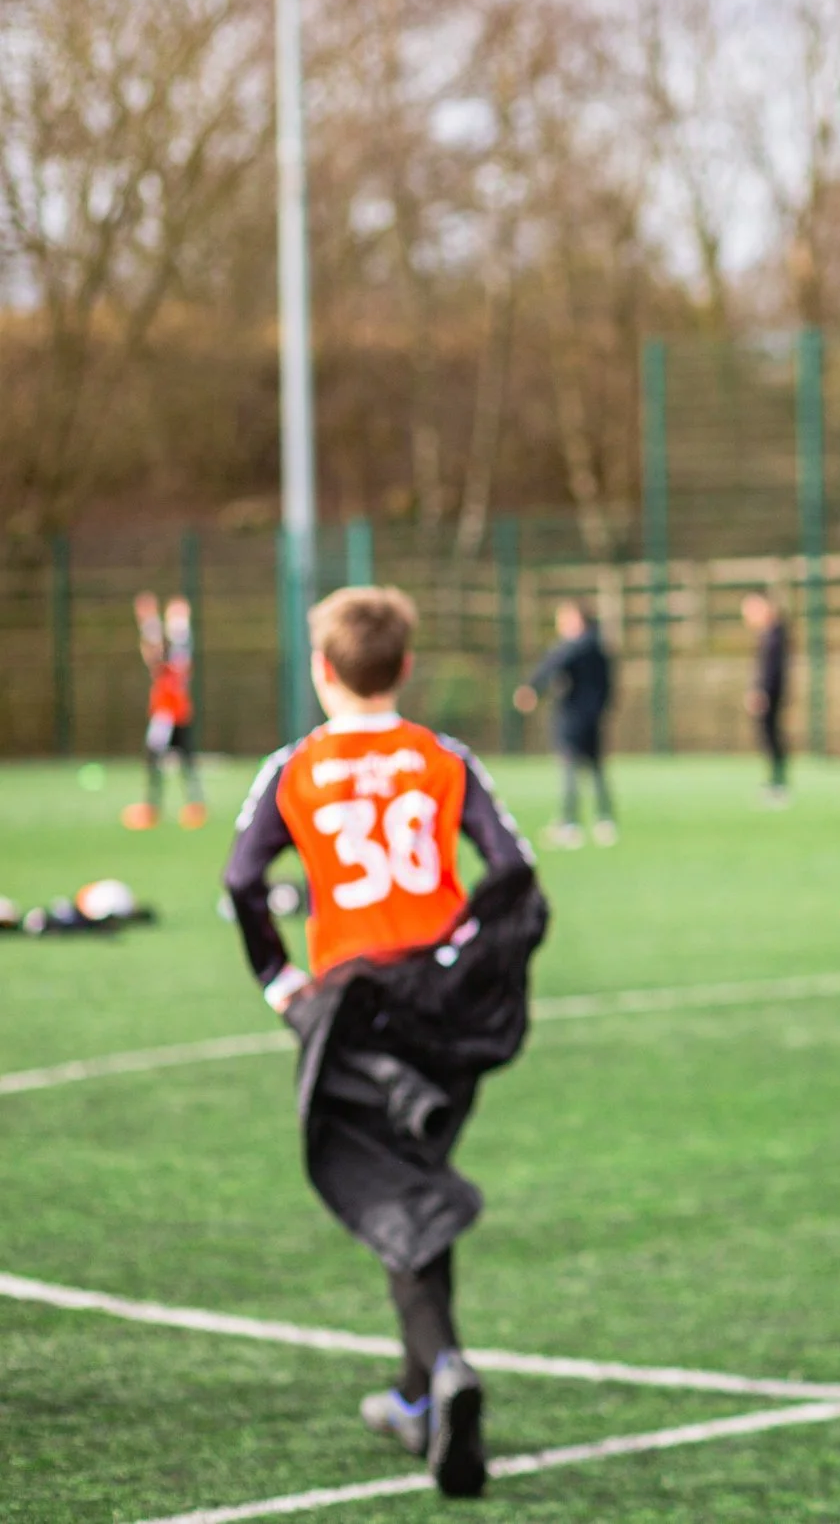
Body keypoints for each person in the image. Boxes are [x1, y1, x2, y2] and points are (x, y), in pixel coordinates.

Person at [223, 586, 539, 1499]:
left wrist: (283, 986)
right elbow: (513, 870)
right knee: (414, 1180)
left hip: (353, 1009)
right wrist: (464, 959)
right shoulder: (442, 757)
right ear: (404, 668)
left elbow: (242, 882)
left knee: (399, 1190)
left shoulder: (296, 766)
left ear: (323, 671)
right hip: (439, 1004)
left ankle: (443, 1372)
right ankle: (417, 1390)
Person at [514, 600, 615, 847]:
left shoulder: (574, 647)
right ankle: (605, 819)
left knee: (570, 766)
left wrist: (531, 688)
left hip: (573, 716)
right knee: (595, 767)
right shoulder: (599, 645)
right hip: (593, 715)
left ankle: (570, 823)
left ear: (578, 620)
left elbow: (552, 664)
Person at [124, 592, 207, 830]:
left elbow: (158, 654)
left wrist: (149, 621)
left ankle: (157, 808)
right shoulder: (179, 642)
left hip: (169, 713)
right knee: (180, 759)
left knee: (162, 758)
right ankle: (187, 805)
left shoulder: (179, 642)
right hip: (172, 711)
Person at [743, 592, 789, 805]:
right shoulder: (771, 634)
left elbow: (771, 671)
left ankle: (778, 784)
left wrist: (761, 691)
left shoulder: (774, 635)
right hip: (770, 693)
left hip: (771, 694)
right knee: (769, 738)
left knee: (771, 738)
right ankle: (776, 782)